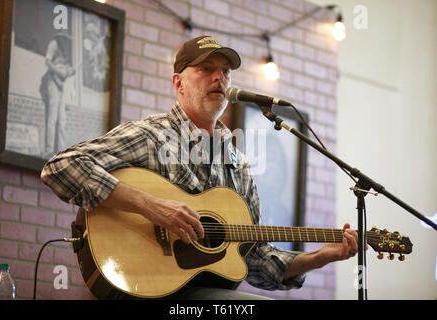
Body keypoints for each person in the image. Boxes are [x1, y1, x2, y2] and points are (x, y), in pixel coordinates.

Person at [41, 35, 358, 300]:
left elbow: (255, 258)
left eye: (225, 71)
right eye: (207, 69)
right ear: (178, 83)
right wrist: (150, 206)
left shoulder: (238, 164)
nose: (219, 77)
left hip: (202, 293)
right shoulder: (151, 136)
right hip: (142, 286)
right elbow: (61, 166)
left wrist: (319, 258)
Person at [39, 31, 76, 158]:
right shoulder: (54, 44)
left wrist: (70, 71)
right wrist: (59, 73)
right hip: (52, 82)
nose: (66, 40)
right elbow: (48, 62)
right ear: (60, 36)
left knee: (62, 119)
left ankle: (60, 151)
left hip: (61, 84)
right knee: (52, 117)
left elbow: (66, 68)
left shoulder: (65, 49)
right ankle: (49, 149)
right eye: (64, 38)